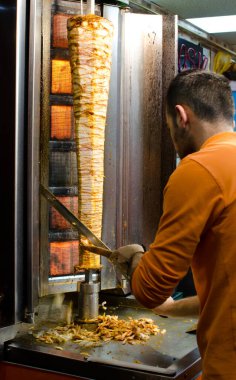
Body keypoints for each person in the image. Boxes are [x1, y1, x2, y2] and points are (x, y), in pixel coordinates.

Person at [111, 69, 236, 380]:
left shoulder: (199, 169)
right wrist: (170, 308)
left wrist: (137, 259)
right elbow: (226, 291)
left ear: (182, 116)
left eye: (168, 128)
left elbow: (150, 289)